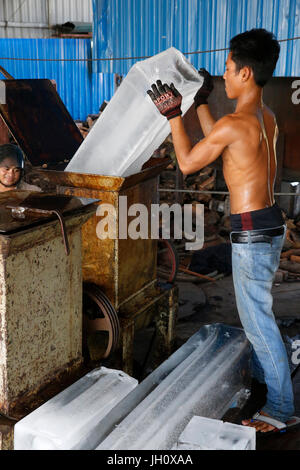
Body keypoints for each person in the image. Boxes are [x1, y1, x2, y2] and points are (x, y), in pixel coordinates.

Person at [148, 28, 295, 433]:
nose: (225, 76)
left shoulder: (236, 122)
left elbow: (190, 163)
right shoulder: (266, 117)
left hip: (251, 234)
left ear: (246, 73)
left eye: (229, 70)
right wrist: (200, 103)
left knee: (258, 324)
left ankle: (280, 411)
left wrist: (174, 115)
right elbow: (221, 139)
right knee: (260, 315)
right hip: (270, 223)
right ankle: (269, 389)